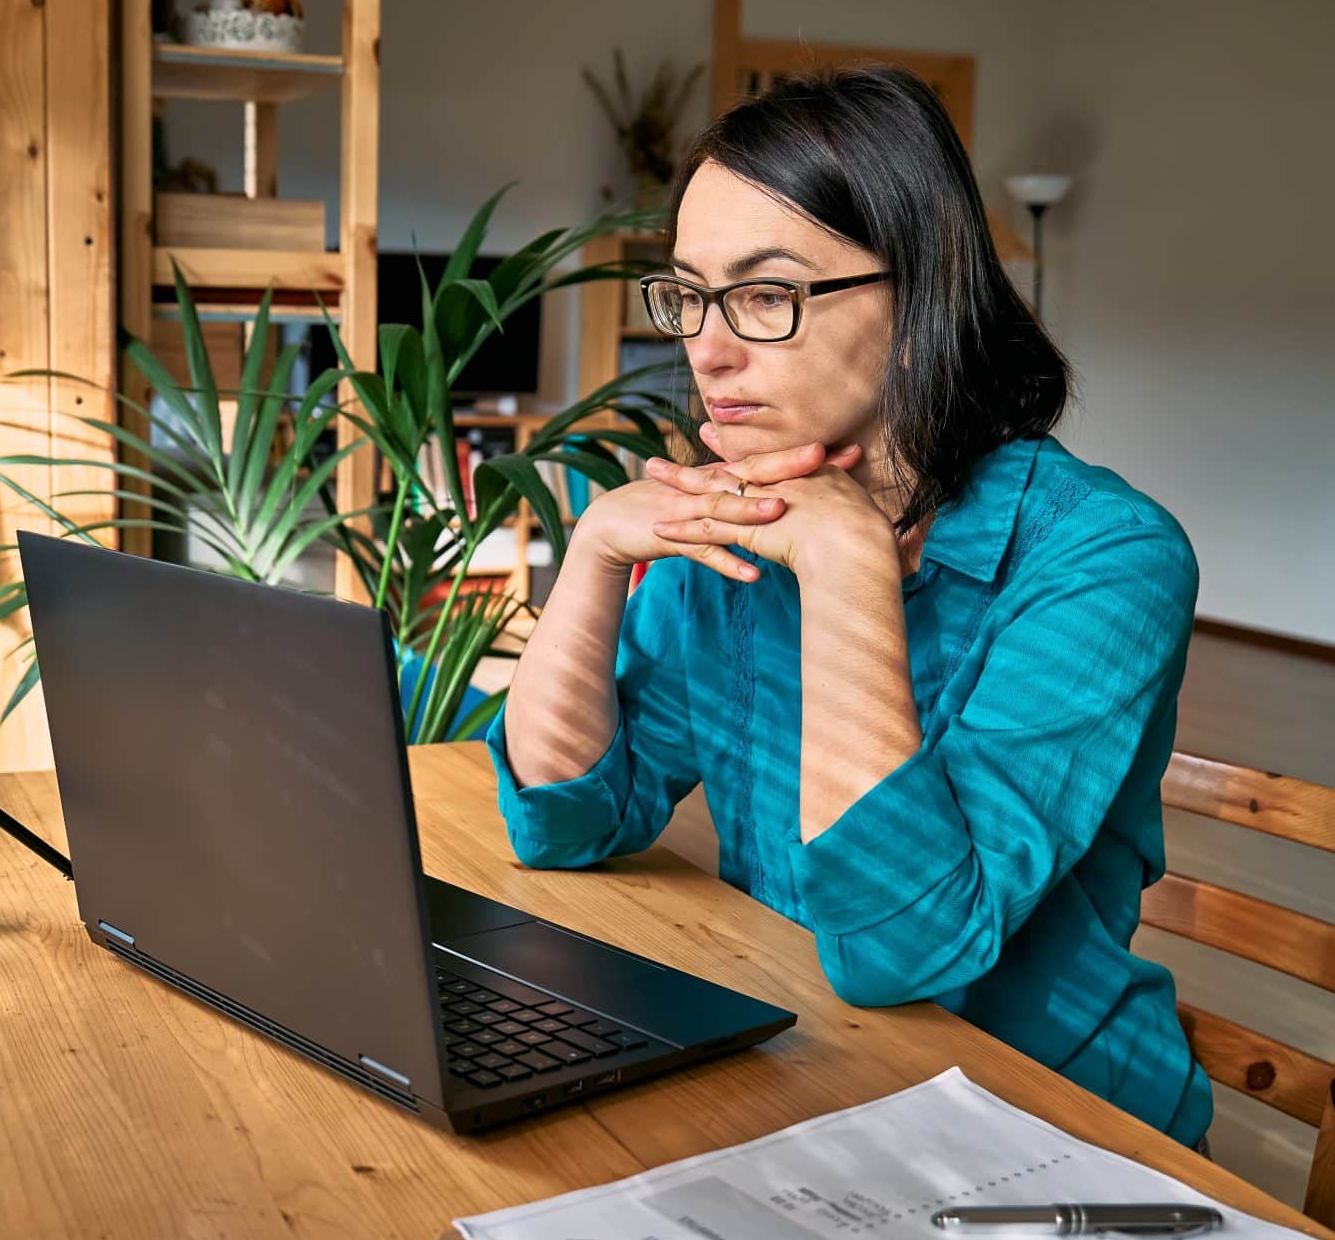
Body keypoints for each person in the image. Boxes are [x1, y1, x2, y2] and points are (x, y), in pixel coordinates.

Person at [490, 65, 1212, 1148]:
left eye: (766, 295)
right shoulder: (743, 515)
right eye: (687, 292)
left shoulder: (1102, 558)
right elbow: (569, 822)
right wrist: (592, 551)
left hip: (1054, 1131)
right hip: (813, 1078)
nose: (705, 346)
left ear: (921, 299)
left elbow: (904, 946)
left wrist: (843, 566)